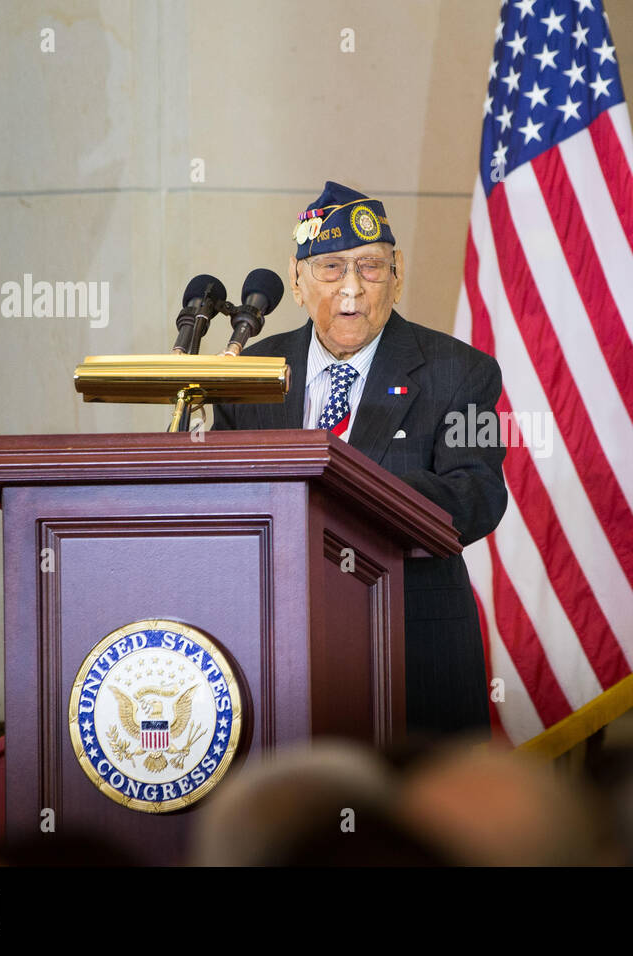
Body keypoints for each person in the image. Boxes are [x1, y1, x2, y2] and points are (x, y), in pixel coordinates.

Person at [213, 181, 506, 737]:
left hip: (412, 643)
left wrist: (343, 489)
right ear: (296, 282)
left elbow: (478, 494)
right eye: (330, 268)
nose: (351, 288)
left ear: (398, 274)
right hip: (269, 643)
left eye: (370, 267)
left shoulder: (463, 371)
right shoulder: (246, 374)